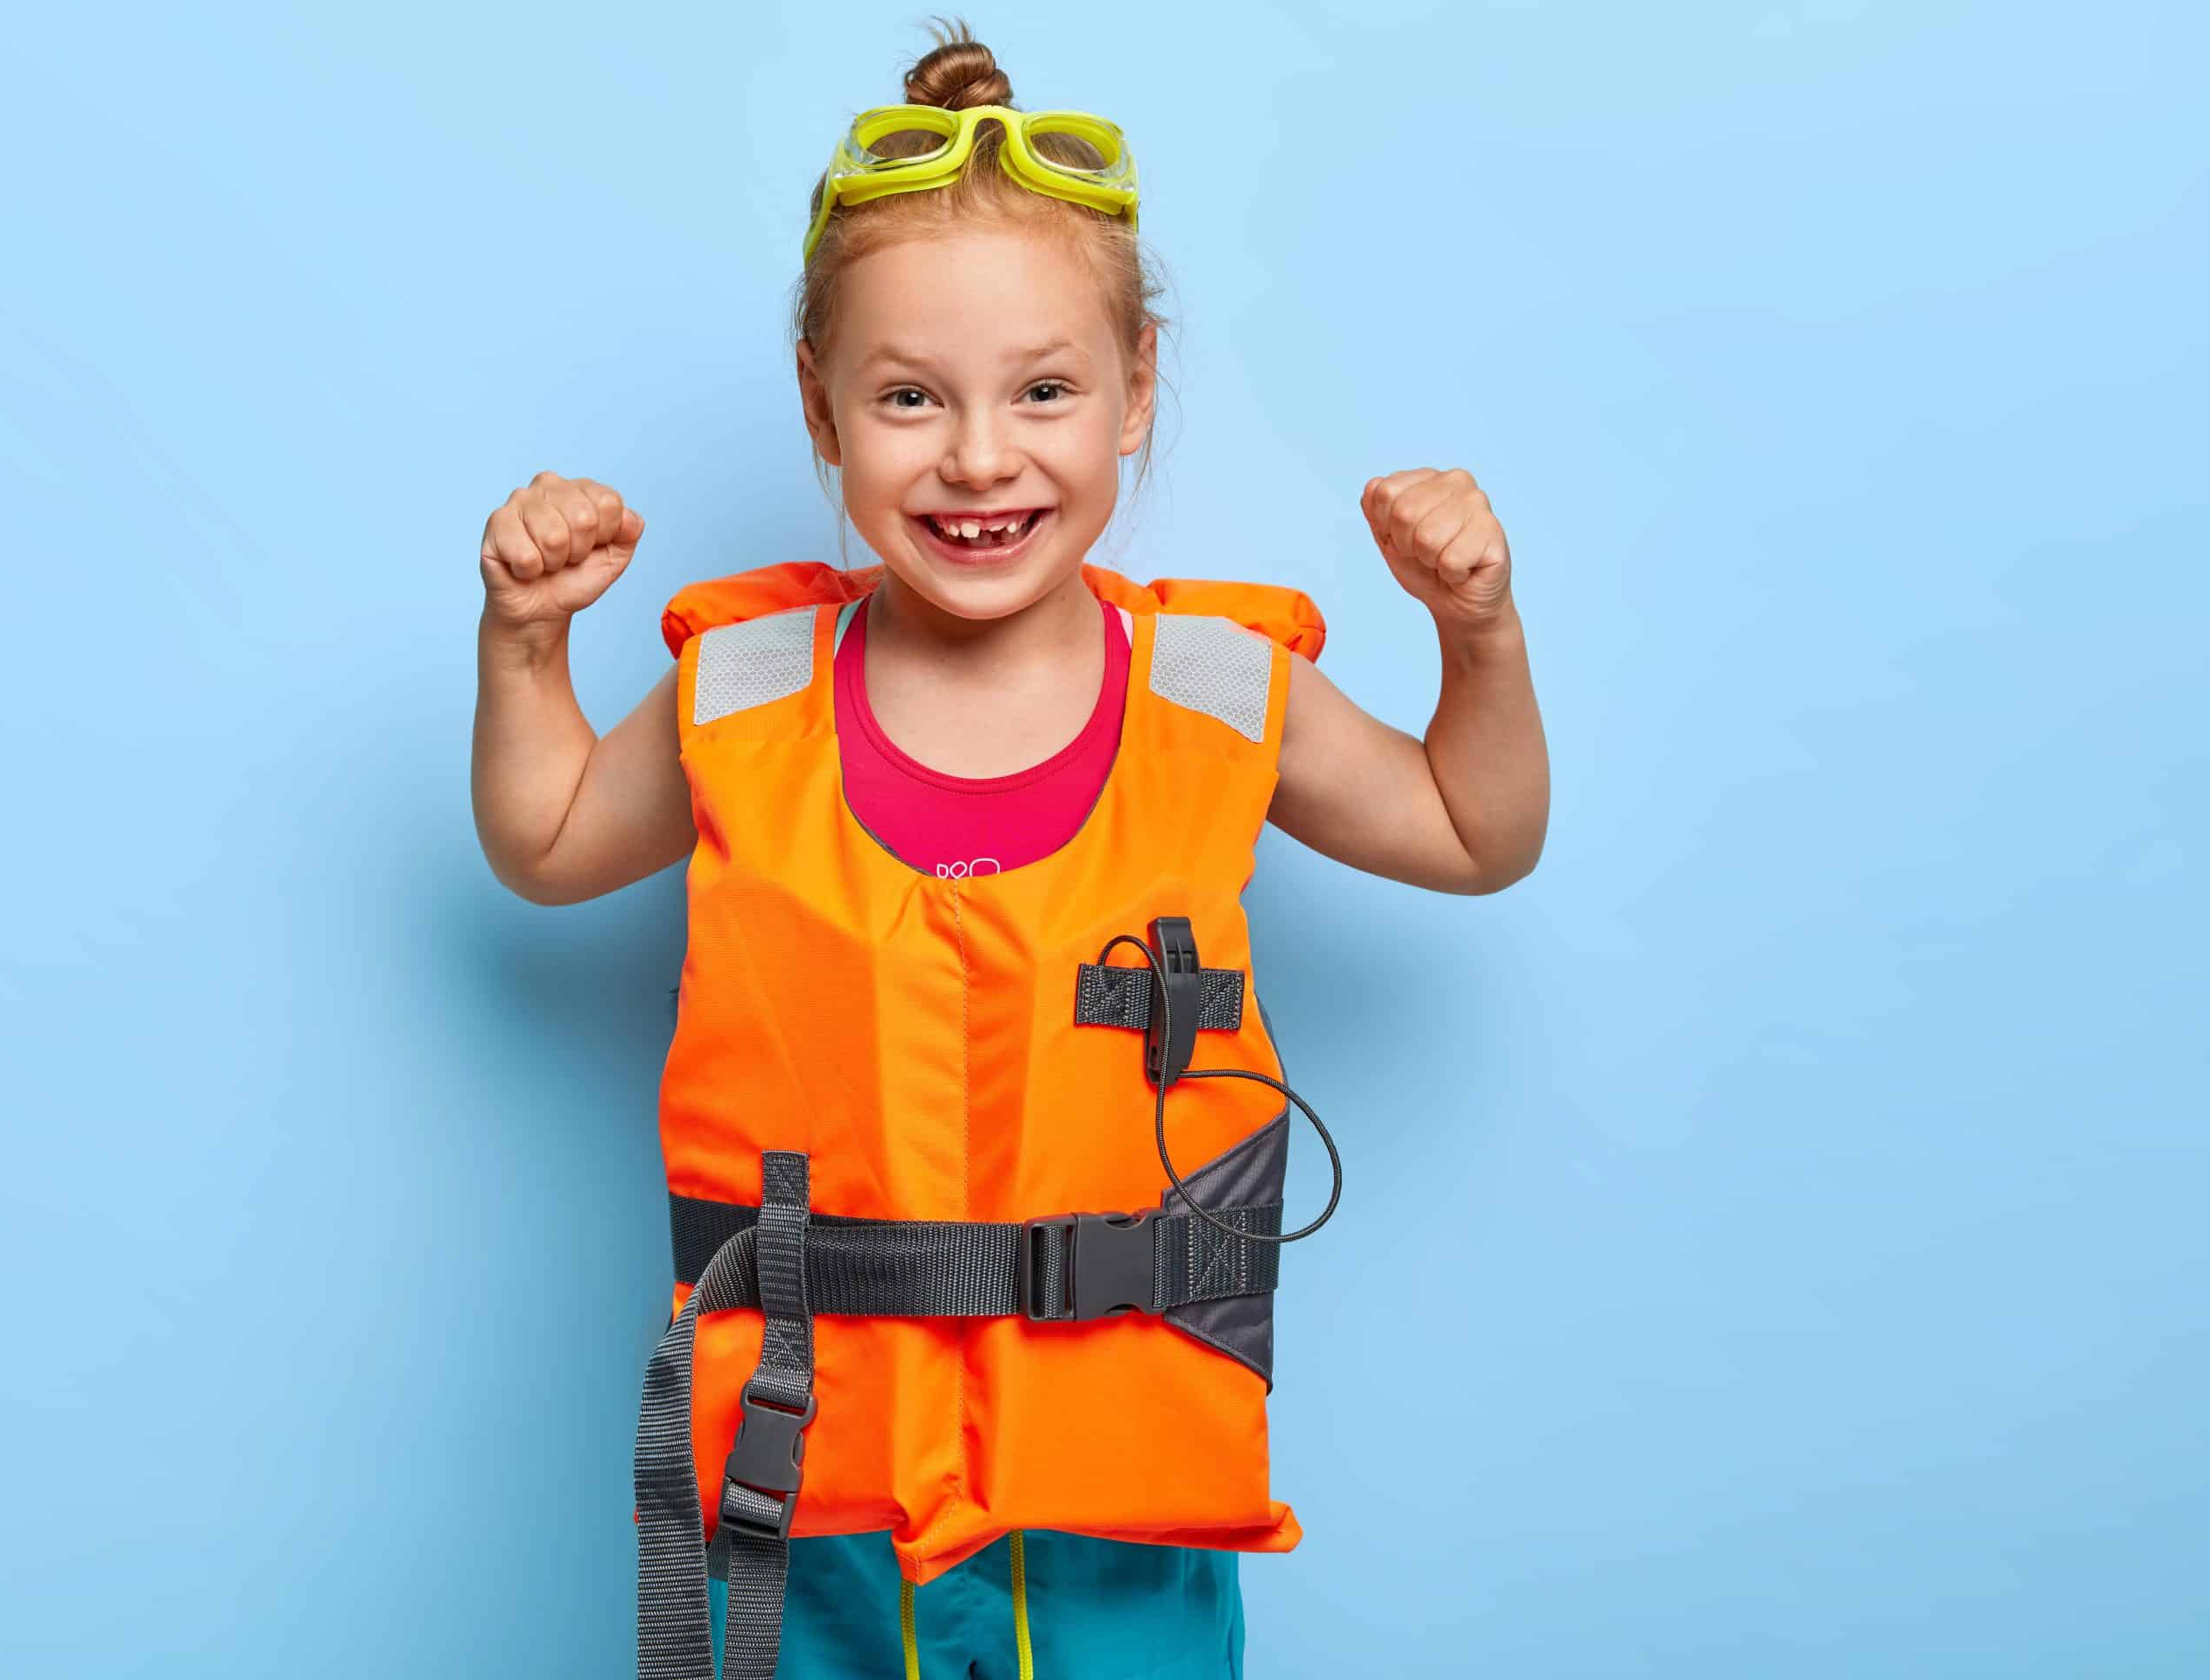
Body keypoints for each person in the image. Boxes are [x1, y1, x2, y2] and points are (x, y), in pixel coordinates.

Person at [469, 20, 1548, 1677]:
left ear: (1138, 392)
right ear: (821, 413)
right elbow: (544, 844)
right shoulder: (741, 692)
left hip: (1114, 1516)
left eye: (1044, 391)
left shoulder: (1221, 690)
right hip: (803, 1497)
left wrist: (1478, 634)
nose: (980, 458)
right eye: (910, 399)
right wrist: (525, 646)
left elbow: (1479, 833)